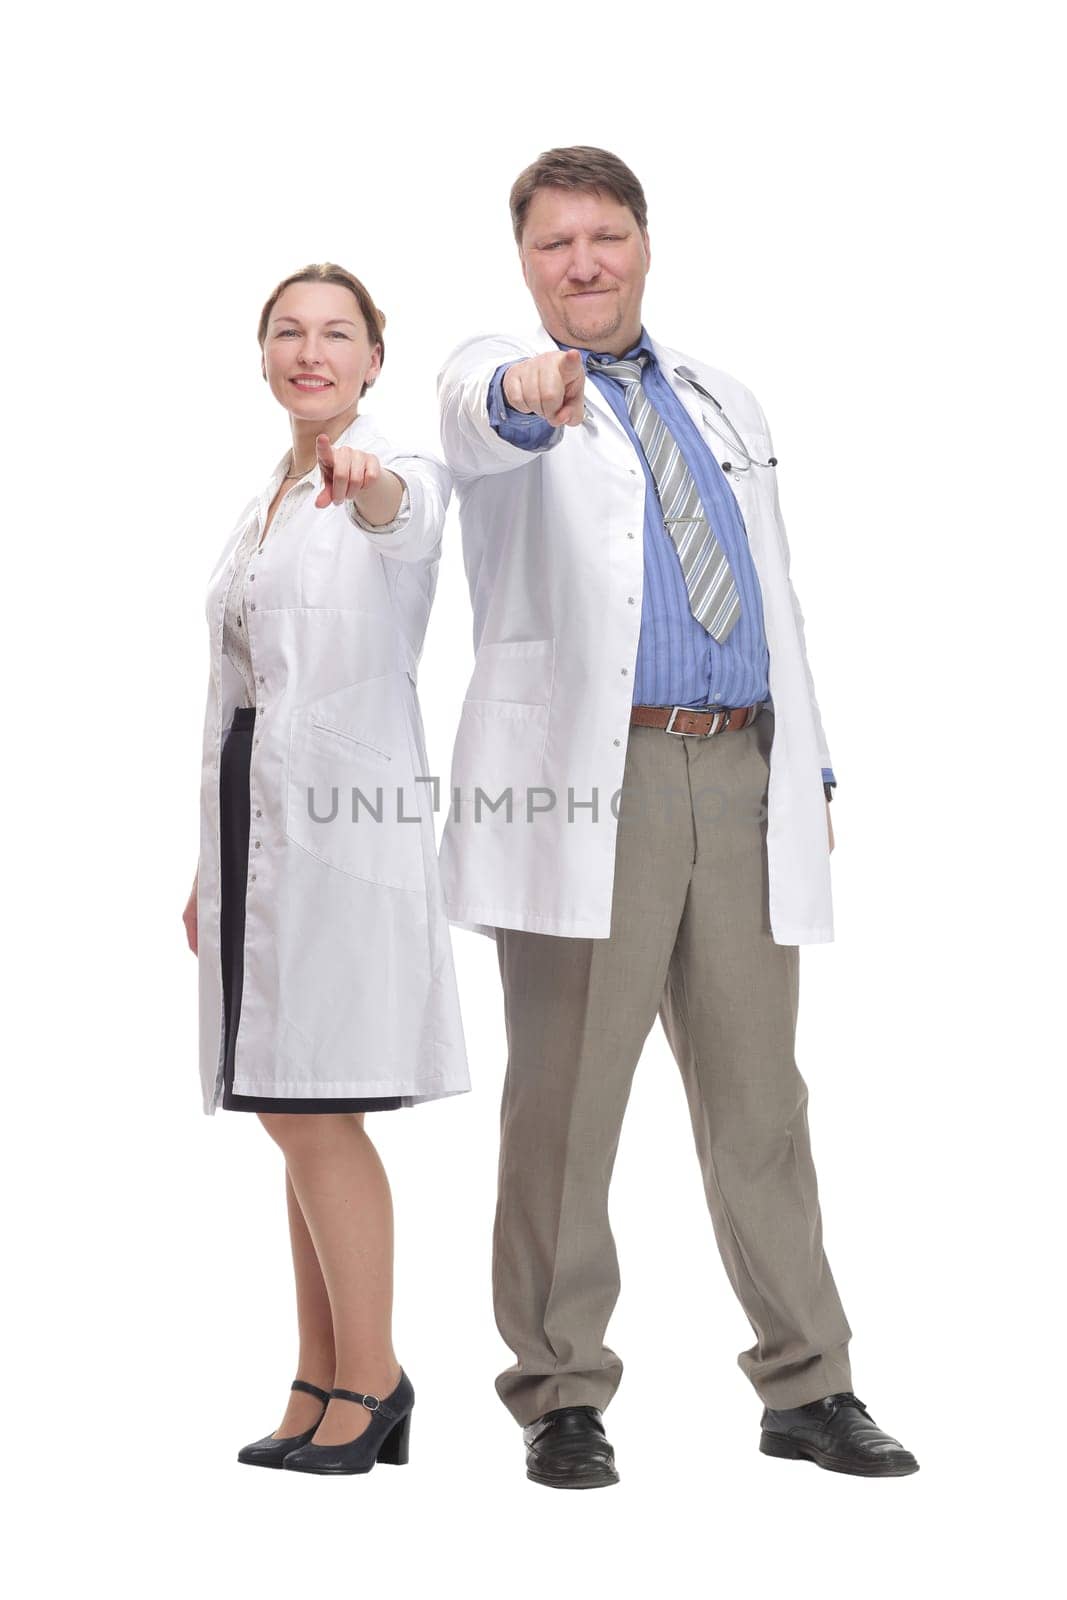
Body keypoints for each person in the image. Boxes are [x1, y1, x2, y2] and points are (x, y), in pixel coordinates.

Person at [437, 147, 917, 1486]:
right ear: (522, 264)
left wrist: (804, 771)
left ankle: (806, 1387)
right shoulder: (505, 384)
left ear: (644, 241)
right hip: (598, 783)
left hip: (741, 774)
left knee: (761, 1102)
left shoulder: (722, 397)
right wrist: (521, 391)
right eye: (551, 245)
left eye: (602, 236)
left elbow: (771, 588)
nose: (580, 264)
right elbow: (480, 410)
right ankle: (558, 1391)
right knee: (566, 1103)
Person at [183, 262, 469, 1476]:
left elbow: (401, 515)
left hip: (342, 834)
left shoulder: (383, 469)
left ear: (371, 360)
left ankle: (377, 1377)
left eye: (335, 334)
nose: (310, 351)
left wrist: (372, 481)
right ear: (261, 356)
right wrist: (207, 862)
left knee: (317, 1104)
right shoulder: (266, 494)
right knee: (286, 1108)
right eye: (288, 333)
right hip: (254, 813)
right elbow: (240, 681)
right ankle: (317, 1373)